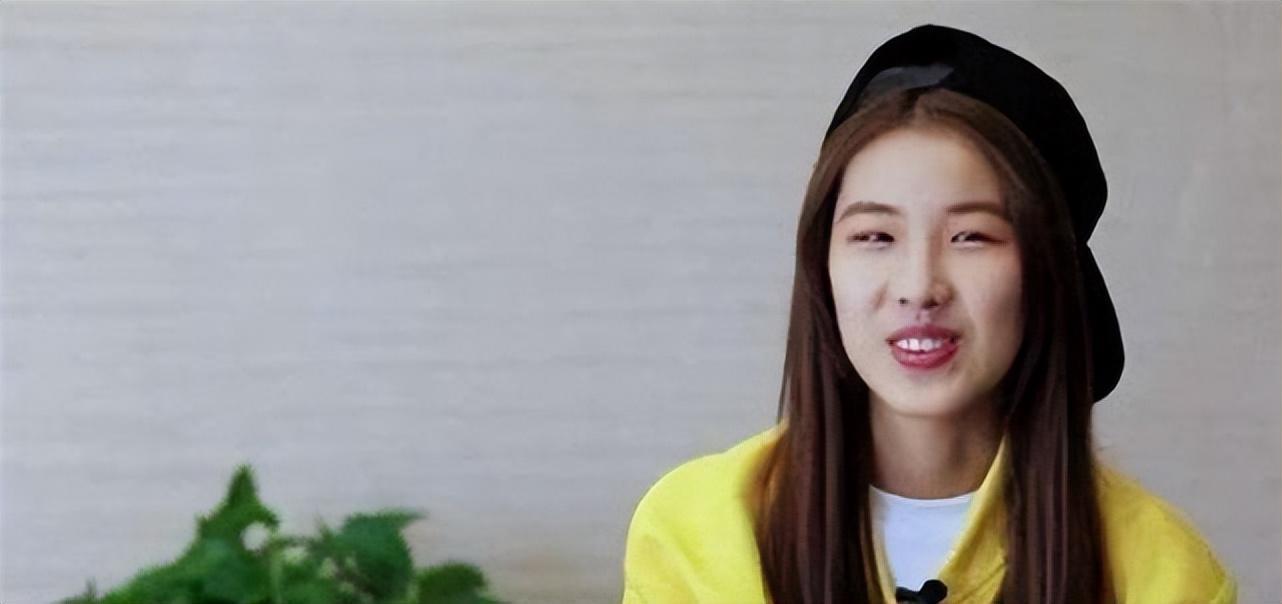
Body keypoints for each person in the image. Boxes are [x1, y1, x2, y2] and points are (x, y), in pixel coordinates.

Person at [620, 24, 1236, 604]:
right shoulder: (693, 534)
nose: (919, 288)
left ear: (1047, 271)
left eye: (971, 237)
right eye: (875, 237)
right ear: (821, 265)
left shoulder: (1161, 570)